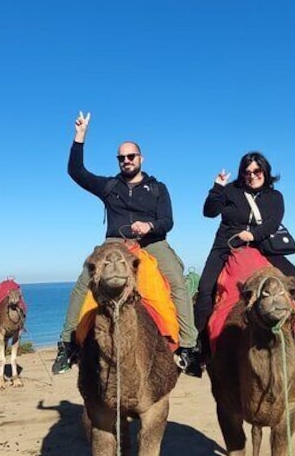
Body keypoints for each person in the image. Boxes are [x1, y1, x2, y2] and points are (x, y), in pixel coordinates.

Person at [52, 112, 199, 376]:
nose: (126, 161)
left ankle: (188, 346)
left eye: (131, 156)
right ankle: (67, 344)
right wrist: (80, 137)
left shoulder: (157, 188)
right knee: (84, 281)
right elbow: (76, 171)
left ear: (141, 159)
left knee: (177, 281)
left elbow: (167, 221)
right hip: (115, 243)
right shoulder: (109, 186)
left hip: (151, 243)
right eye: (122, 158)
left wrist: (149, 226)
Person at [192, 151, 295, 366]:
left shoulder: (275, 197)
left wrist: (253, 235)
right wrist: (217, 187)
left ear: (265, 171)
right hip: (226, 245)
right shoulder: (231, 191)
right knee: (206, 288)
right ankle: (198, 347)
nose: (252, 176)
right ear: (242, 174)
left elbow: (272, 223)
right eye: (247, 172)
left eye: (257, 171)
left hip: (263, 245)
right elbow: (209, 212)